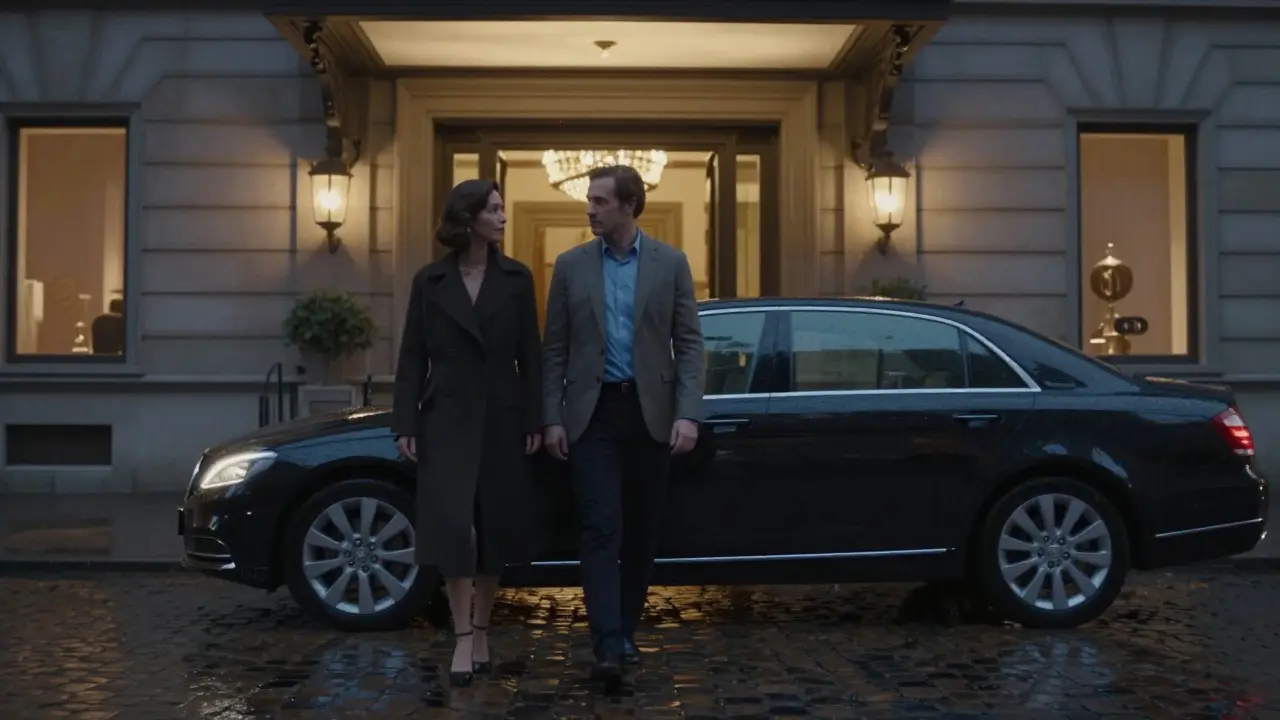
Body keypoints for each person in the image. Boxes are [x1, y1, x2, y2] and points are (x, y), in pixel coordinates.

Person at [541, 164, 705, 686]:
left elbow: (691, 343)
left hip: (650, 413)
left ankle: (625, 629)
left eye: (599, 200)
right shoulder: (569, 266)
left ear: (630, 205)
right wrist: (551, 417)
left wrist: (687, 412)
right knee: (600, 526)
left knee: (640, 531)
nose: (589, 208)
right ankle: (607, 641)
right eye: (588, 199)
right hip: (593, 415)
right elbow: (555, 351)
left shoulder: (670, 263)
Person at [391, 178, 543, 688]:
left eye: (502, 208)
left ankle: (481, 631)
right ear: (469, 217)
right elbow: (412, 357)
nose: (503, 217)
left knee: (493, 527)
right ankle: (460, 637)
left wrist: (535, 419)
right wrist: (405, 422)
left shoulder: (517, 279)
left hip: (502, 415)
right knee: (457, 528)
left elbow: (532, 357)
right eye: (494, 209)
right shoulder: (429, 281)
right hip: (446, 418)